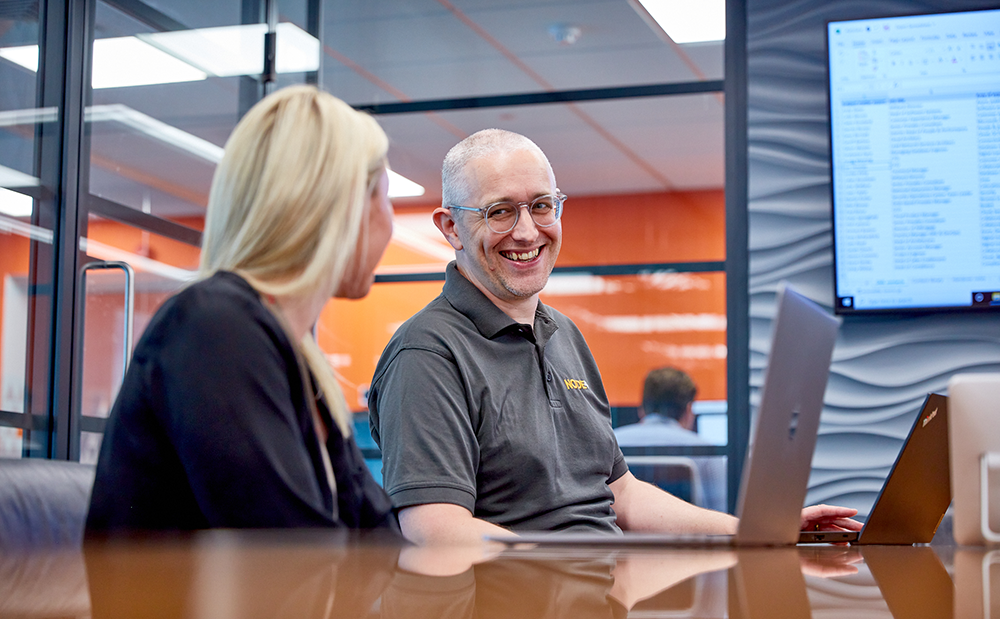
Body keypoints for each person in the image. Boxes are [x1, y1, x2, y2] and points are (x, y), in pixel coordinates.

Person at [368, 128, 861, 545]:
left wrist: (749, 533)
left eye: (542, 206)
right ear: (451, 227)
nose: (526, 232)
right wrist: (570, 571)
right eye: (499, 212)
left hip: (597, 610)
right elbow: (435, 527)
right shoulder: (426, 353)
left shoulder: (564, 335)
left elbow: (620, 493)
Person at [86, 86, 399, 533]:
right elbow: (291, 553)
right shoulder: (214, 329)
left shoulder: (298, 363)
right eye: (385, 196)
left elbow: (377, 541)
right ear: (343, 208)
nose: (389, 218)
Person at [614, 367, 727, 511]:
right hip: (687, 532)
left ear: (641, 409)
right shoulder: (707, 452)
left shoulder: (612, 443)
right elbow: (719, 512)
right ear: (688, 411)